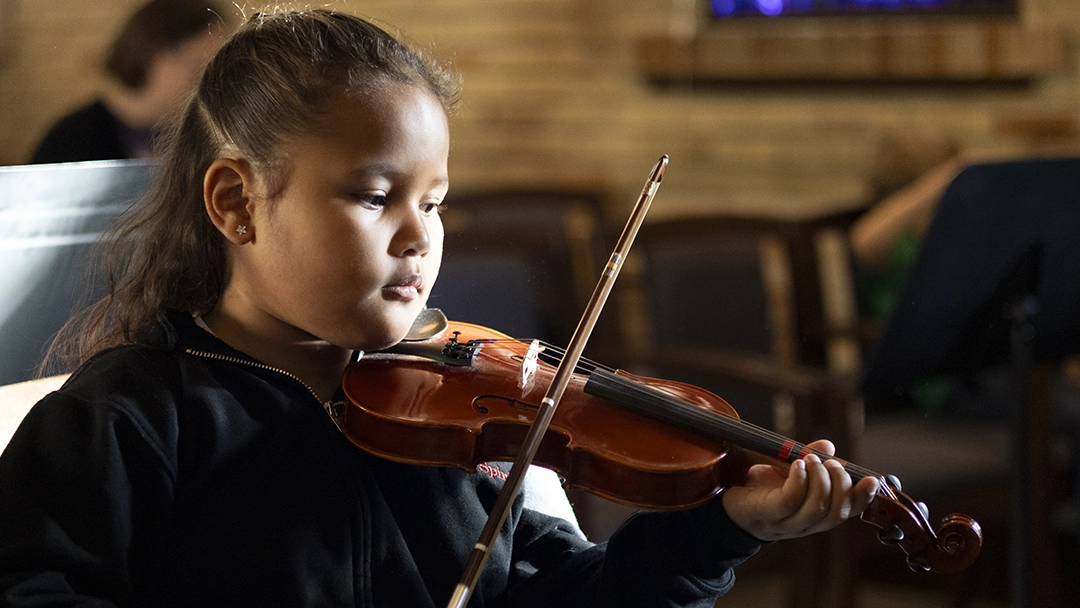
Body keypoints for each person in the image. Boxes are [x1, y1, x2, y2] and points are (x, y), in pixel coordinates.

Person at [0, 9, 878, 606]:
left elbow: (566, 597)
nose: (421, 237)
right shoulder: (130, 418)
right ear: (235, 204)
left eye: (436, 201)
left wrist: (717, 529)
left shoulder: (448, 419)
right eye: (376, 196)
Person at [29, 0, 225, 164]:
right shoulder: (69, 143)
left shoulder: (203, 138)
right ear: (154, 55)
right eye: (198, 69)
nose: (208, 86)